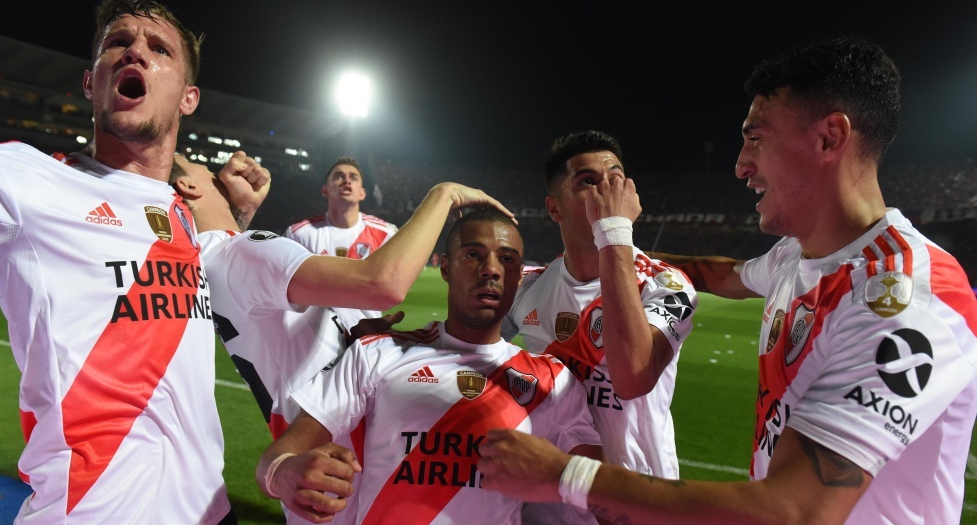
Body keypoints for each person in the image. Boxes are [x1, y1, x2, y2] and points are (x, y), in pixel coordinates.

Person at [478, 37, 977, 525]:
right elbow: (718, 273)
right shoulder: (793, 258)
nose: (740, 165)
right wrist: (612, 252)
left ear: (829, 137)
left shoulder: (906, 299)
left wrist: (564, 476)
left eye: (755, 137)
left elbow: (797, 511)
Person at [0, 1, 277, 522]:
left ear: (188, 98)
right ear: (90, 82)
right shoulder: (23, 182)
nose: (135, 51)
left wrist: (237, 220)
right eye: (117, 42)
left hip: (209, 511)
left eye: (159, 49)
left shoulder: (186, 212)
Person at [173, 155, 515, 525]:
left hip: (318, 455)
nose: (219, 170)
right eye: (200, 167)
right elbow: (383, 282)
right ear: (189, 187)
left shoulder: (210, 258)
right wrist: (444, 194)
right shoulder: (240, 251)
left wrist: (353, 337)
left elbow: (279, 326)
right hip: (337, 449)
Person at [257, 208, 604, 524]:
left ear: (517, 278)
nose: (491, 269)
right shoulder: (378, 353)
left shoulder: (552, 380)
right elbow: (275, 458)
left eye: (507, 259)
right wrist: (282, 473)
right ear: (446, 268)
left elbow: (602, 494)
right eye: (473, 254)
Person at [500, 130, 697, 523]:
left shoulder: (665, 285)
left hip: (636, 504)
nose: (605, 190)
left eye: (615, 178)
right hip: (546, 508)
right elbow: (464, 350)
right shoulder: (528, 287)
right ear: (554, 208)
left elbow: (633, 376)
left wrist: (614, 233)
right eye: (588, 181)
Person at [285, 156, 399, 328]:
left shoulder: (387, 233)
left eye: (353, 177)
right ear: (325, 190)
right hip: (313, 336)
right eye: (338, 176)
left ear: (362, 193)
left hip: (367, 336)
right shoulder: (299, 234)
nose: (346, 180)